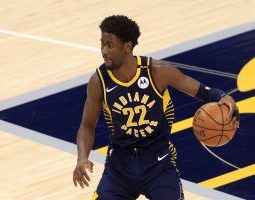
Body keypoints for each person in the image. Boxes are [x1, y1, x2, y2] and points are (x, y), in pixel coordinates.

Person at [73, 15, 239, 200]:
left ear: (128, 47)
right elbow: (87, 125)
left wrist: (224, 97)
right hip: (119, 167)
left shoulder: (157, 71)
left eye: (110, 45)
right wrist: (82, 157)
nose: (104, 51)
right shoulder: (99, 81)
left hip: (159, 165)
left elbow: (201, 91)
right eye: (102, 44)